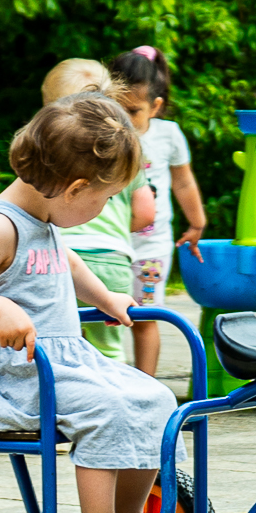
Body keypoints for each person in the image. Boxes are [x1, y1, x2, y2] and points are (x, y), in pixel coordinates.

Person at [0, 93, 186, 513]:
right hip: (16, 376)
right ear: (73, 189)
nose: (107, 206)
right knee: (107, 407)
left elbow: (67, 262)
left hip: (63, 364)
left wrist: (106, 298)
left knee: (154, 398)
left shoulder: (44, 218)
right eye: (105, 198)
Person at [41, 56, 159, 352]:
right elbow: (146, 214)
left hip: (58, 257)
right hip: (112, 259)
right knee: (108, 347)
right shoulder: (125, 146)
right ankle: (111, 392)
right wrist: (118, 226)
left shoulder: (47, 148)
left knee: (55, 341)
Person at [106, 45, 204, 379]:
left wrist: (197, 222)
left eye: (132, 111)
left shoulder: (168, 134)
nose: (123, 121)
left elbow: (184, 183)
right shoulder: (101, 136)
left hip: (151, 245)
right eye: (114, 108)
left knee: (146, 315)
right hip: (109, 244)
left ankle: (145, 386)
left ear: (155, 107)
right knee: (103, 316)